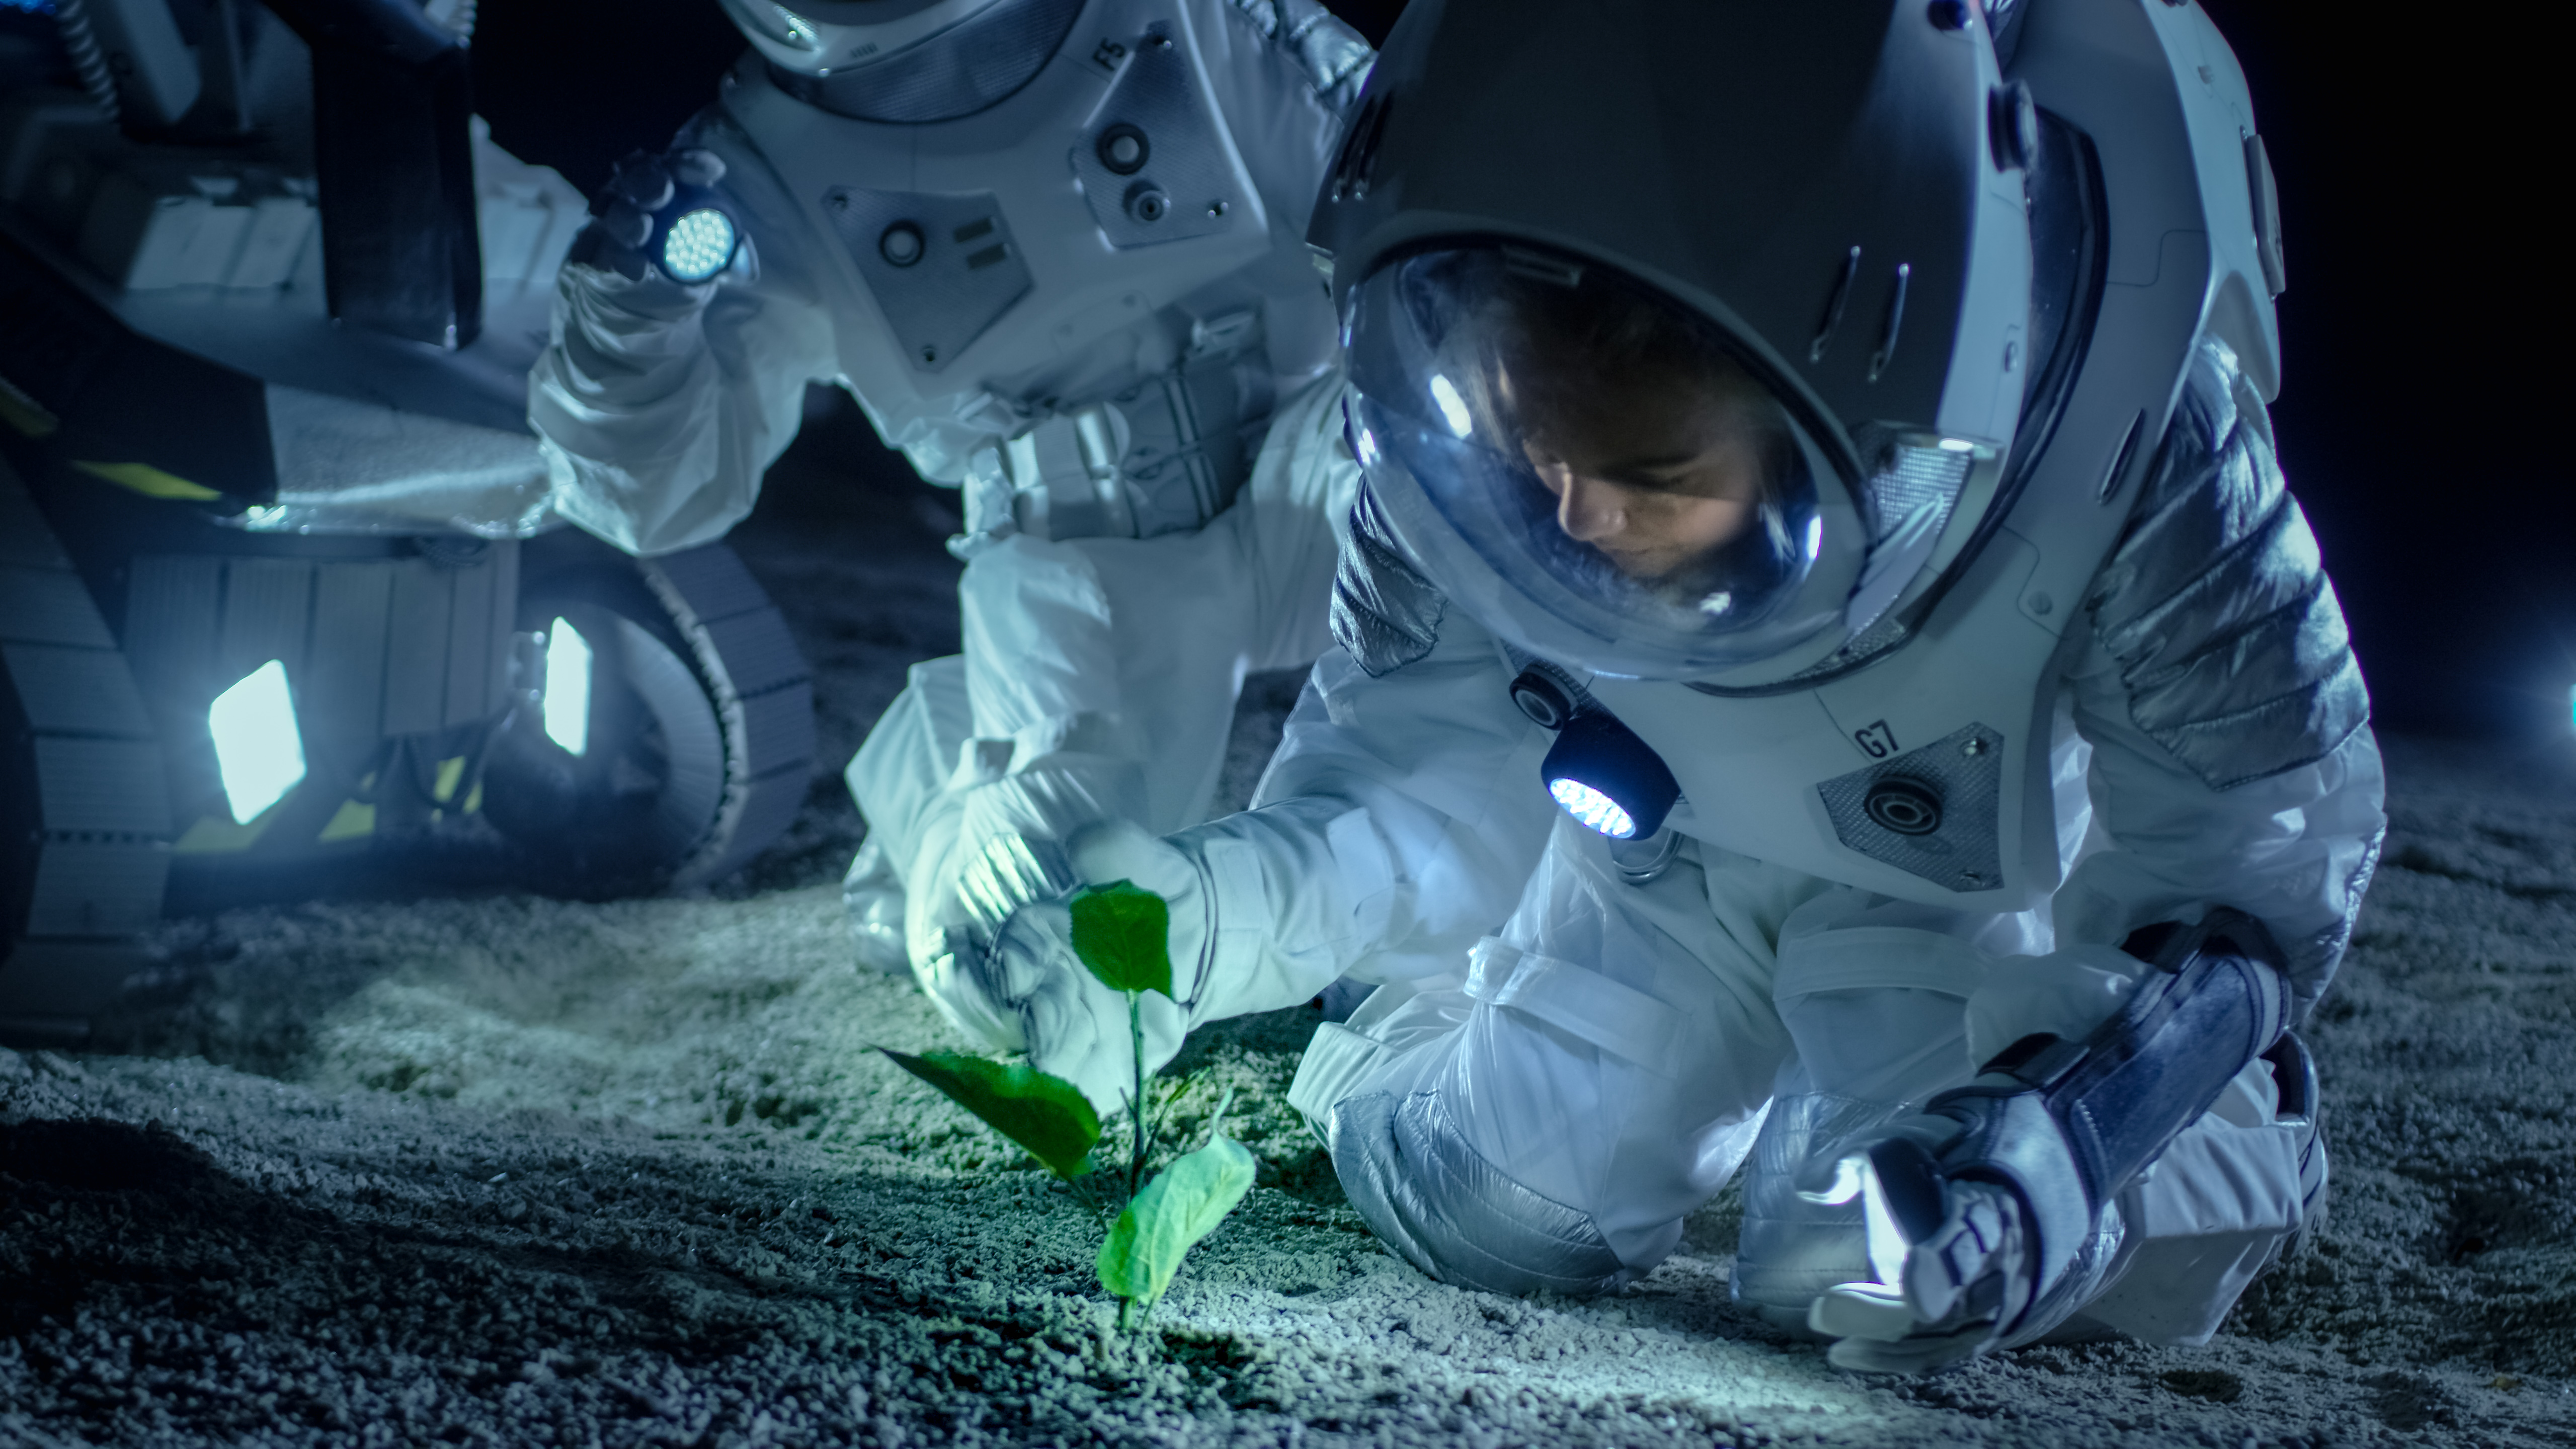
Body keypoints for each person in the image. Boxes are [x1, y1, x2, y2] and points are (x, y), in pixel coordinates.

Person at [949, 0, 2385, 1372]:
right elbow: (1408, 763)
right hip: (1669, 863)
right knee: (1486, 1200)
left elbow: (2243, 868)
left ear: (1892, 386)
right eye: (1538, 456)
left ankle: (2232, 1146)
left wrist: (2069, 1134)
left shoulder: (2136, 450)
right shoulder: (1472, 447)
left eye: (1653, 477)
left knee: (1870, 1256)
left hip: (1958, 900)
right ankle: (1407, 1021)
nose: (1572, 525)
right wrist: (1202, 918)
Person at [525, 0, 1373, 1002]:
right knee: (1047, 970)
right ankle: (949, 799)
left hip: (1325, 461)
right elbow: (656, 503)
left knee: (1508, 562)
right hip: (1089, 558)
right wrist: (629, 333)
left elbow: (1410, 200)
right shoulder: (749, 174)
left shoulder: (1207, 20)